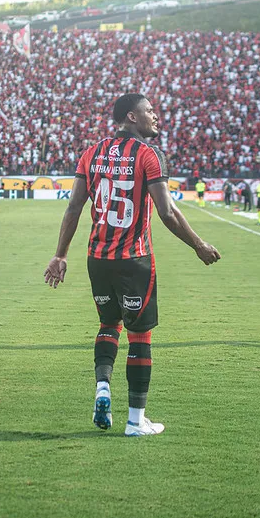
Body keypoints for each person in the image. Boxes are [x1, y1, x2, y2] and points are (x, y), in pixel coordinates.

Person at [44, 93, 221, 436]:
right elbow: (166, 212)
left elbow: (74, 207)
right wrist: (198, 245)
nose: (156, 116)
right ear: (131, 116)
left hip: (97, 258)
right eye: (149, 110)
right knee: (140, 335)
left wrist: (61, 254)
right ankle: (136, 421)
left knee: (108, 324)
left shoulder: (91, 153)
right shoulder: (149, 154)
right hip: (134, 259)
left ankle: (103, 387)